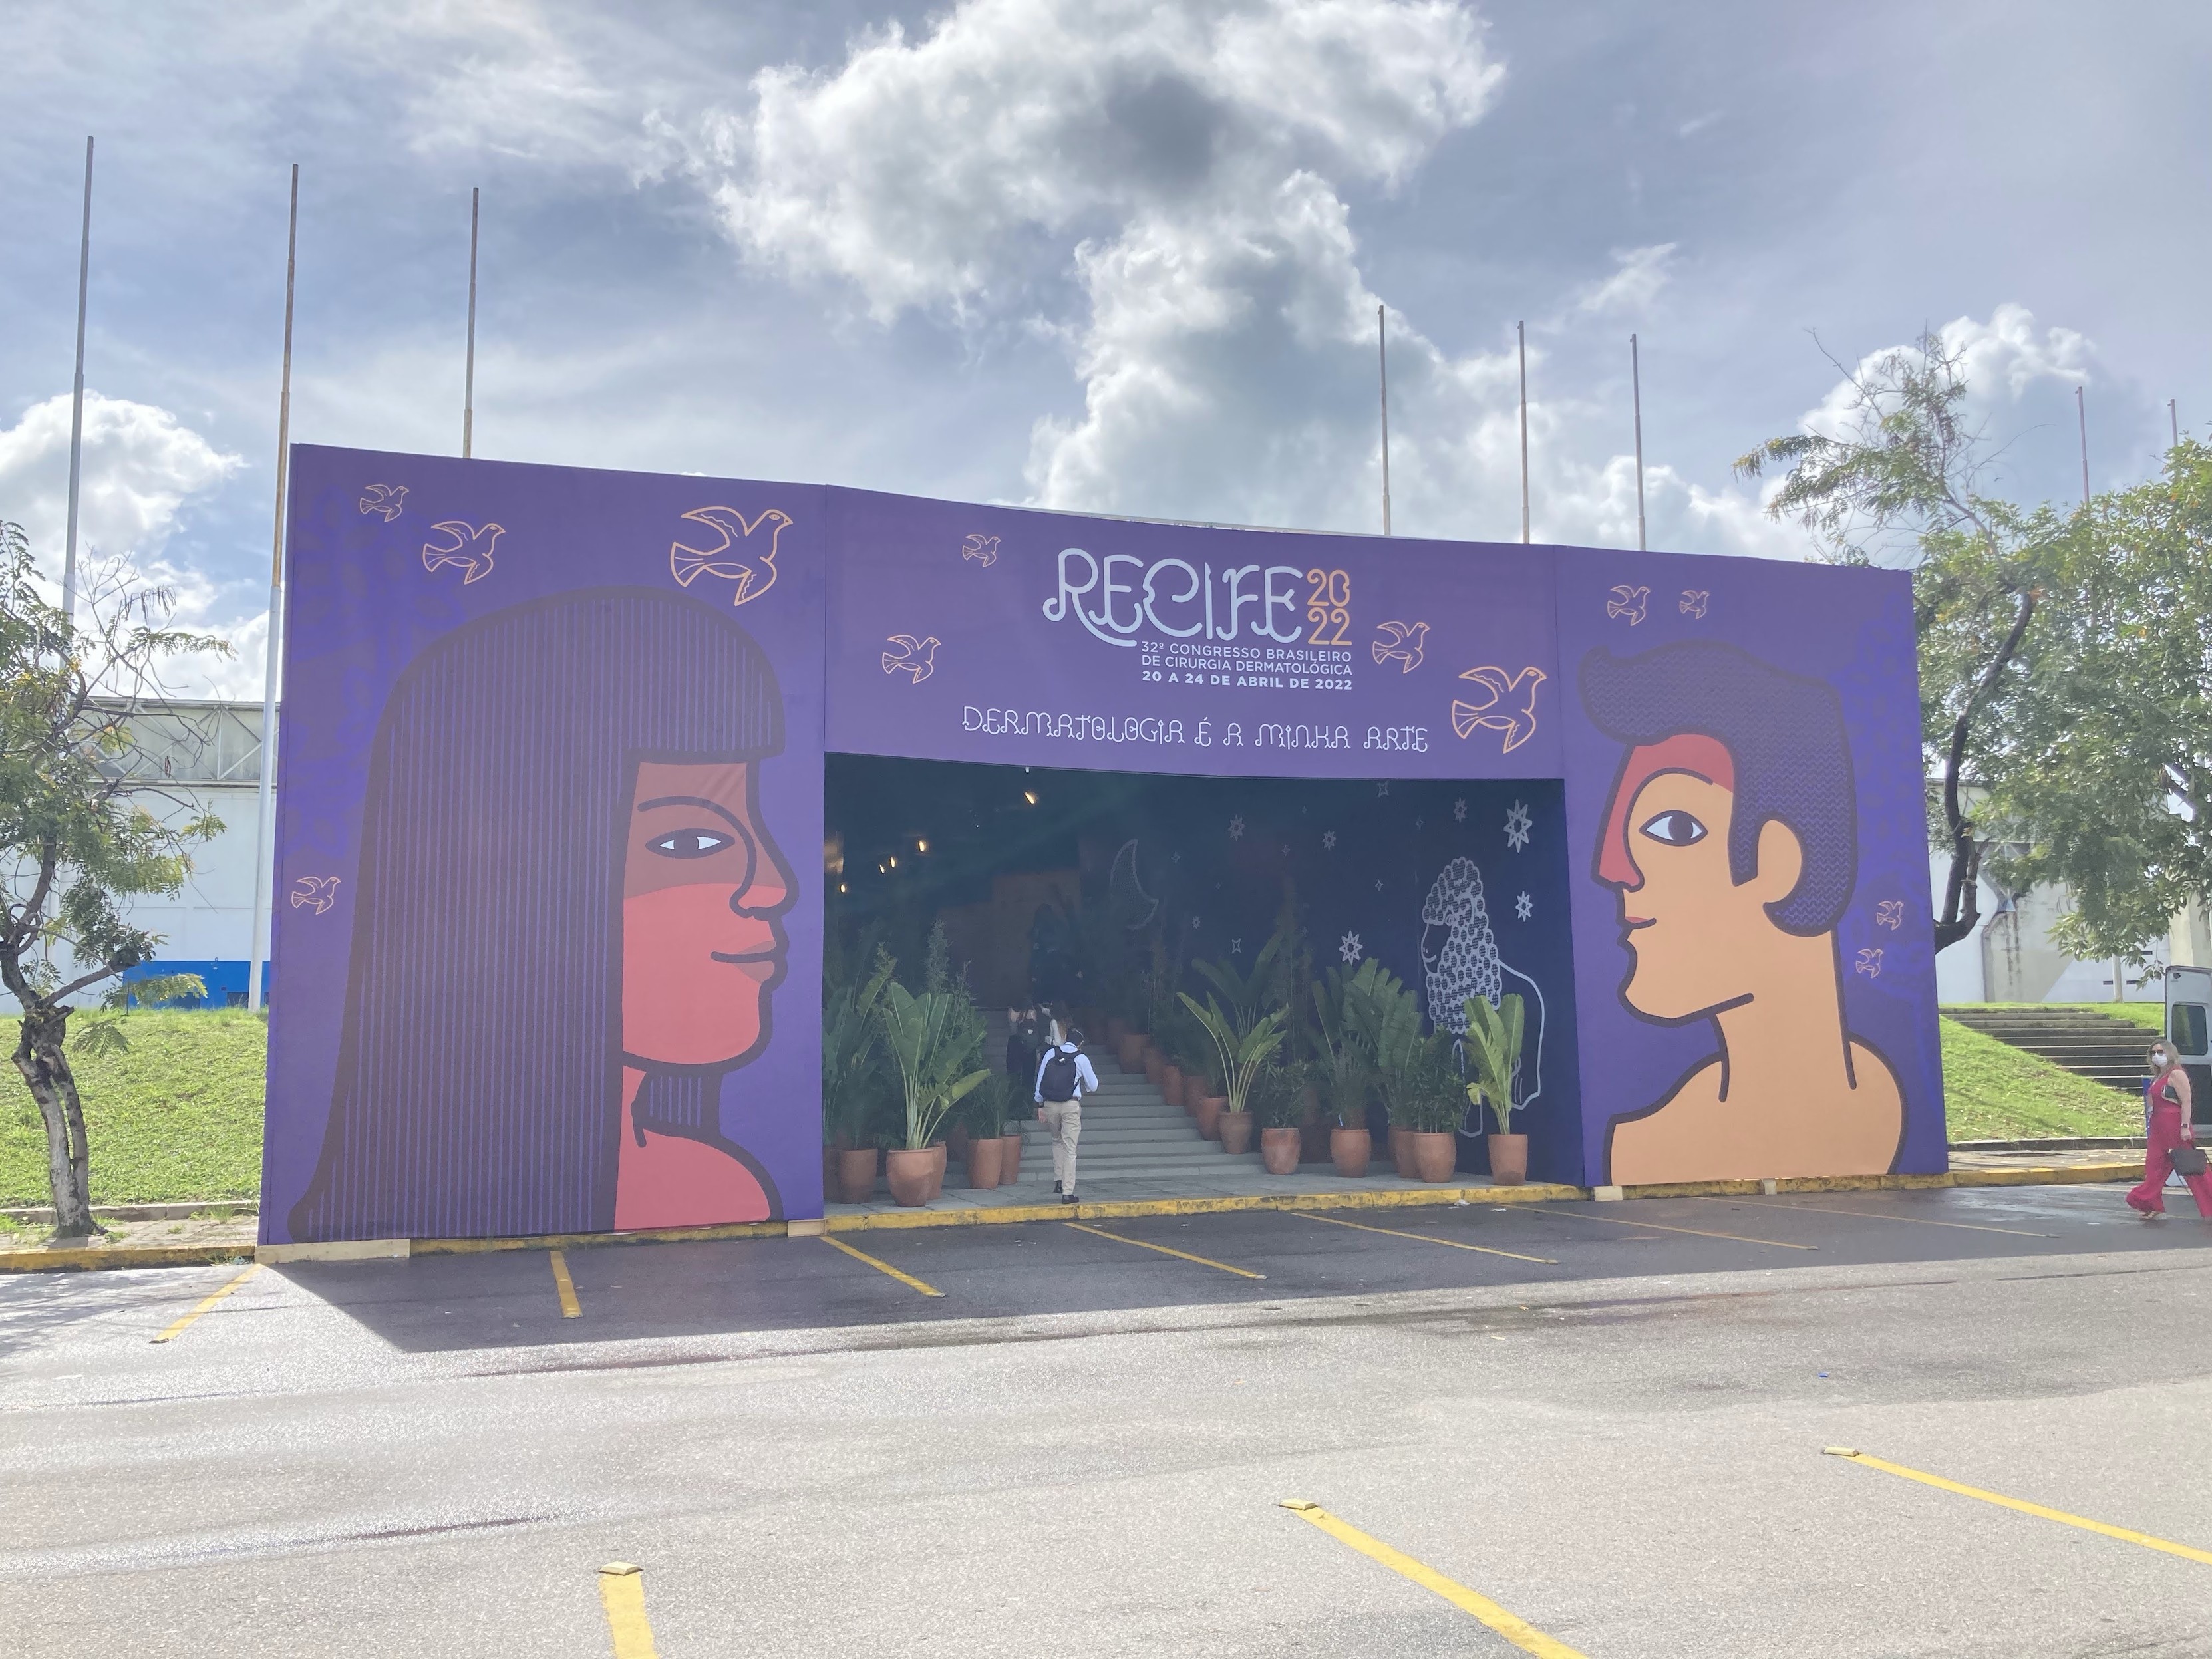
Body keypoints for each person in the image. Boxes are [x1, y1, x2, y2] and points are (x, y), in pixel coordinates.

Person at [287, 587, 796, 1241]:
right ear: (528, 881)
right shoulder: (711, 1187)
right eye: (690, 843)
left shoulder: (721, 1183)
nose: (773, 886)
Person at [1582, 641, 1903, 1184]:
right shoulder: (1641, 1143)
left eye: (1674, 828)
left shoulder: (1650, 1149)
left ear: (1778, 860)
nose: (1614, 869)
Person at [2127, 1040, 2212, 1221]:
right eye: (2153, 1053)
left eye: (2161, 1052)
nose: (2156, 1056)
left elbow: (2187, 1101)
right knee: (2154, 1167)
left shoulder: (2177, 1074)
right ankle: (2155, 1206)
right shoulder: (2158, 1076)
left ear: (2170, 1053)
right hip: (2158, 1127)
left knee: (2194, 1169)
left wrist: (2185, 1127)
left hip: (2175, 1126)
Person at [1033, 1020, 1098, 1204]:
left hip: (1050, 1105)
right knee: (1070, 1149)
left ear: (1065, 1038)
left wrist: (1040, 1105)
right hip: (1070, 1105)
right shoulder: (1081, 1058)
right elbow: (1093, 1086)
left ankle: (1058, 1181)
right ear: (1080, 1043)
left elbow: (1040, 1080)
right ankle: (1068, 1192)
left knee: (1057, 1141)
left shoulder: (1051, 1053)